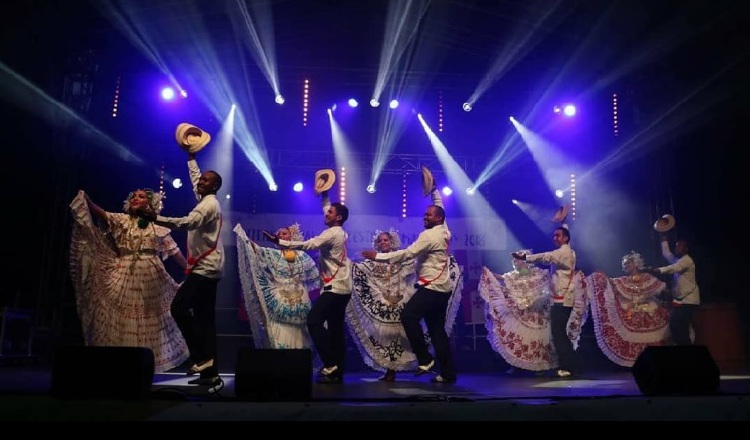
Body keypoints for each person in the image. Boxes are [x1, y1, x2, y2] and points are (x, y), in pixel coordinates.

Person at [68, 188, 190, 373]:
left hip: (150, 274)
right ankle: (121, 364)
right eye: (133, 196)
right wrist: (87, 199)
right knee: (122, 317)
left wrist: (191, 269)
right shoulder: (121, 220)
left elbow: (175, 253)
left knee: (150, 317)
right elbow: (98, 212)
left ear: (150, 204)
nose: (135, 198)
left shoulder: (157, 226)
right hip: (124, 271)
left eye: (141, 197)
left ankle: (143, 365)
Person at [137, 150, 224, 390]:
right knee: (205, 320)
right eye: (201, 179)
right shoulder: (205, 198)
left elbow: (187, 223)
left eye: (206, 180)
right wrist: (191, 158)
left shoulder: (208, 205)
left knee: (179, 308)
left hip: (205, 268)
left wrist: (156, 217)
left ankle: (201, 359)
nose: (200, 182)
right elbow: (195, 177)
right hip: (206, 267)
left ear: (214, 185)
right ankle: (210, 374)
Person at [361, 184, 459, 384]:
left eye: (429, 215)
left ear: (438, 218)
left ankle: (424, 359)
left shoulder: (429, 235)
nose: (425, 217)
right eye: (425, 214)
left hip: (432, 287)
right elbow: (440, 206)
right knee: (437, 331)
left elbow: (407, 254)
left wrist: (379, 256)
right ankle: (448, 373)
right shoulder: (444, 229)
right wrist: (434, 191)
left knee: (408, 316)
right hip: (442, 290)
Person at [263, 189, 352, 384]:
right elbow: (329, 209)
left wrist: (280, 241)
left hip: (335, 288)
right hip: (343, 289)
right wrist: (325, 195)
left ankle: (330, 363)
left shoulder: (331, 234)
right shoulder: (340, 231)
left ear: (338, 217)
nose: (326, 214)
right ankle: (337, 370)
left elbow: (309, 245)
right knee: (336, 329)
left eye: (330, 213)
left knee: (314, 321)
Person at [479, 250, 587, 374]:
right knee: (521, 339)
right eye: (514, 259)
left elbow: (549, 285)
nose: (514, 261)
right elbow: (502, 278)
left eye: (517, 259)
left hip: (539, 314)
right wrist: (488, 274)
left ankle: (540, 368)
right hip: (522, 314)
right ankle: (518, 366)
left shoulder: (539, 273)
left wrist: (541, 299)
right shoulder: (512, 275)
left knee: (540, 342)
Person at [234, 222, 319, 351]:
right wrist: (244, 236)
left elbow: (314, 278)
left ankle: (298, 362)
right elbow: (257, 249)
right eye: (278, 234)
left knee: (299, 332)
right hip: (279, 299)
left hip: (300, 300)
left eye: (284, 233)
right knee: (279, 329)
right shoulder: (273, 254)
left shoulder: (303, 256)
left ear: (292, 237)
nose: (280, 235)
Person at [512, 226, 579, 377]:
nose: (554, 238)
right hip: (560, 298)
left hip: (563, 298)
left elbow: (546, 256)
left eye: (558, 236)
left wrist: (526, 258)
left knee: (559, 333)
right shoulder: (565, 251)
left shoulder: (564, 252)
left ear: (566, 238)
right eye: (554, 235)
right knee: (560, 333)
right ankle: (570, 365)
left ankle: (567, 366)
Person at [585, 251, 670, 367]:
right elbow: (611, 282)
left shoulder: (647, 277)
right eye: (625, 264)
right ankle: (639, 362)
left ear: (636, 264)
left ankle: (654, 361)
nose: (626, 266)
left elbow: (661, 287)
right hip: (633, 310)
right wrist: (601, 277)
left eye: (628, 263)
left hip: (649, 310)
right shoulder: (623, 280)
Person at [643, 236, 700, 346]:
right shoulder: (679, 260)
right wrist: (663, 237)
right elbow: (667, 253)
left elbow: (673, 268)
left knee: (678, 326)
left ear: (686, 249)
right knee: (678, 327)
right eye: (676, 246)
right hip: (683, 300)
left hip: (689, 300)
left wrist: (656, 270)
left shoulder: (687, 260)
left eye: (679, 246)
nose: (677, 248)